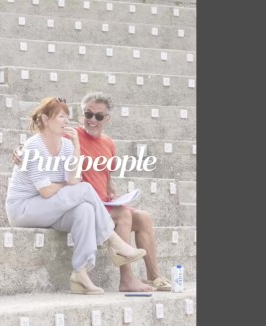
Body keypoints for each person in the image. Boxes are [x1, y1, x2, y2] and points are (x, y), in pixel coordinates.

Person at [14, 92, 172, 292]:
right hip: (77, 200)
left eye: (98, 116)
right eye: (88, 114)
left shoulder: (108, 143)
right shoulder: (68, 135)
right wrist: (19, 150)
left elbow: (107, 178)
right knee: (122, 215)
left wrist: (113, 193)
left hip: (101, 203)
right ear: (81, 115)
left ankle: (153, 276)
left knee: (144, 218)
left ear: (107, 119)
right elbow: (42, 138)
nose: (92, 120)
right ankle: (127, 278)